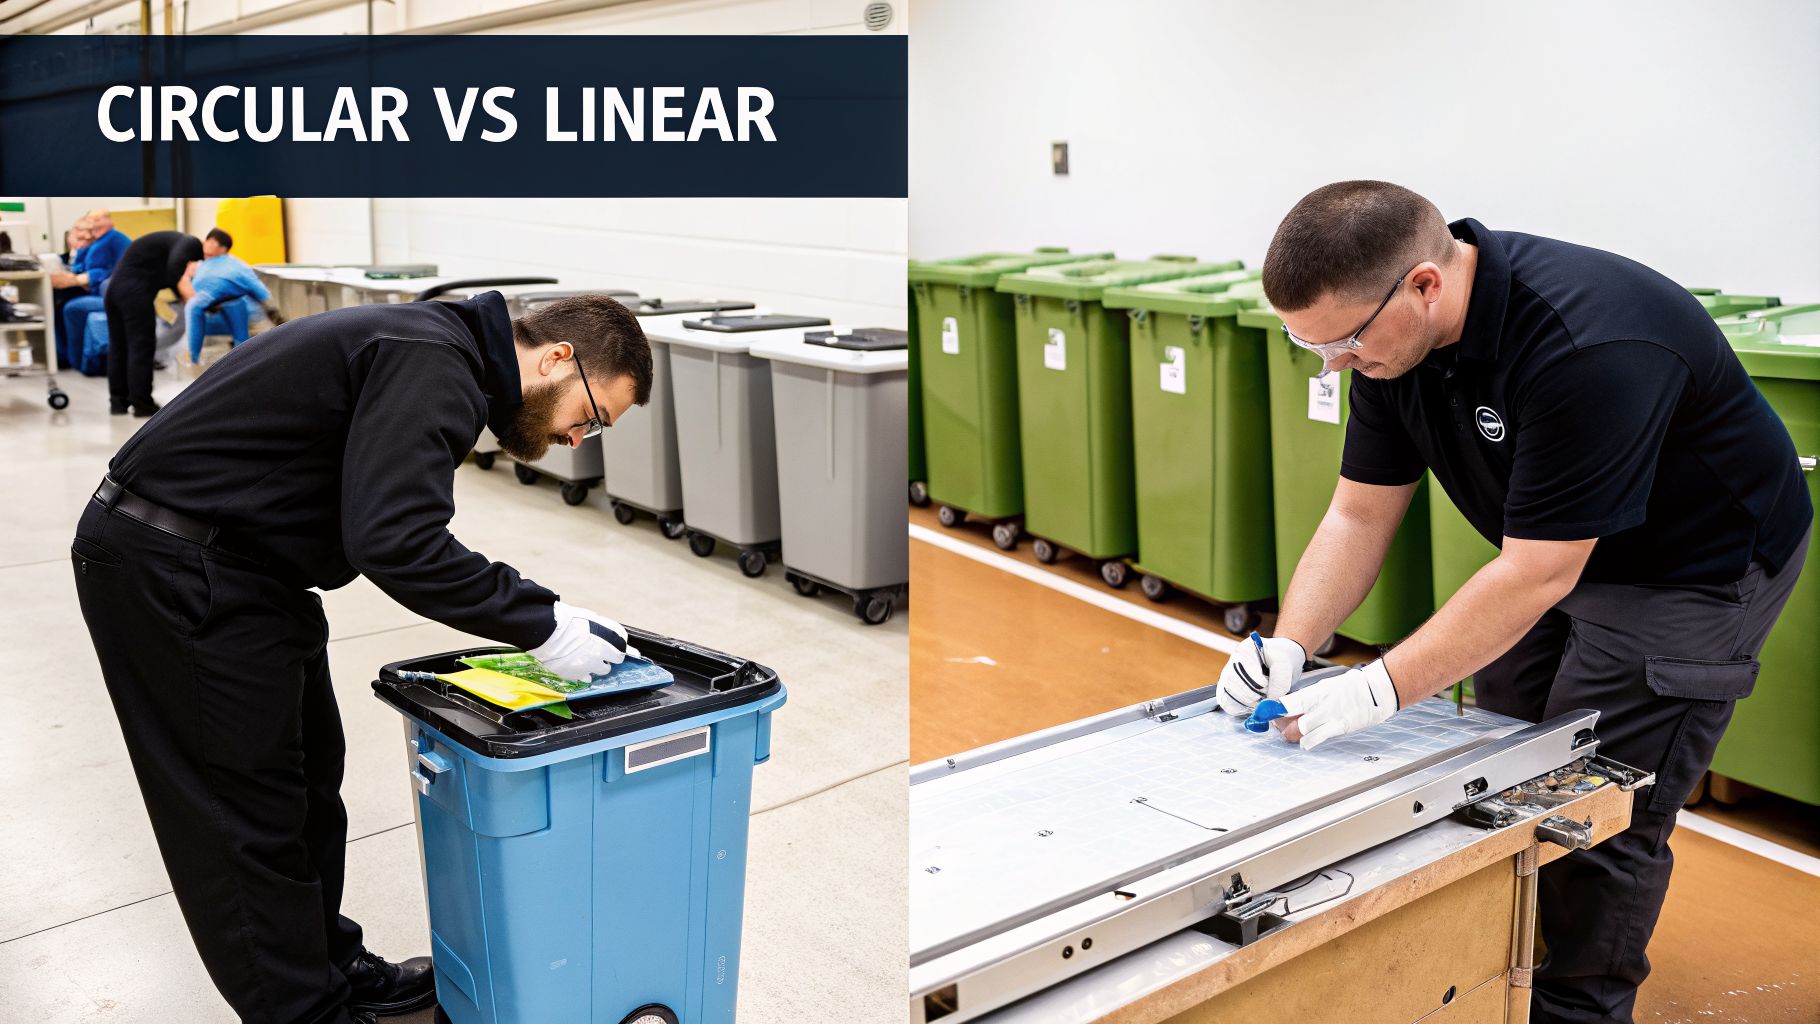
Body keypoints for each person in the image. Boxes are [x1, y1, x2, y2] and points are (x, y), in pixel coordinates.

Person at [1214, 181, 1811, 1024]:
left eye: (1342, 340)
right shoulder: (1388, 344)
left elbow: (1537, 575)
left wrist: (1374, 689)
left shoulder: (1585, 343)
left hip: (1693, 566)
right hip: (1552, 548)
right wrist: (1291, 647)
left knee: (1593, 805)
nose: (1331, 364)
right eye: (1308, 344)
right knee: (1499, 756)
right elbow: (1358, 508)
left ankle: (1574, 1010)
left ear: (1424, 283)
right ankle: (1496, 975)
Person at [70, 292, 654, 1024]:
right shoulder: (436, 359)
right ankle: (305, 1012)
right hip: (176, 567)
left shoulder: (436, 349)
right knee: (241, 818)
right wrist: (541, 622)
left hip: (249, 567)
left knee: (311, 780)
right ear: (558, 357)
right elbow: (397, 540)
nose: (579, 440)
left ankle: (333, 966)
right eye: (593, 416)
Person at [102, 229, 203, 416]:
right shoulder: (190, 242)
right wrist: (187, 292)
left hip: (114, 291)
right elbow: (175, 268)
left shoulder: (164, 245)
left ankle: (118, 402)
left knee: (118, 348)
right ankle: (142, 403)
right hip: (134, 294)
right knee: (141, 347)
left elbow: (172, 271)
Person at [175, 227, 279, 361]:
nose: (209, 245)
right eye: (208, 241)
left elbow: (261, 292)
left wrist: (273, 314)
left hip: (246, 318)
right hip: (215, 317)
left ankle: (230, 356)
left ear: (224, 248)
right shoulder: (199, 265)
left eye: (214, 243)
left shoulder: (235, 266)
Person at [50, 219, 94, 369]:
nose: (83, 241)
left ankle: (62, 354)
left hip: (85, 292)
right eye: (79, 237)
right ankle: (56, 353)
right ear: (69, 237)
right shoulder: (60, 258)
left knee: (62, 301)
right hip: (65, 292)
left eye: (87, 238)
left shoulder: (97, 255)